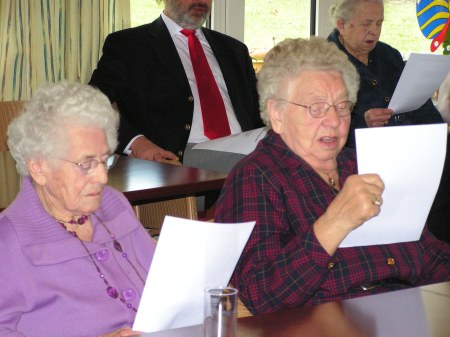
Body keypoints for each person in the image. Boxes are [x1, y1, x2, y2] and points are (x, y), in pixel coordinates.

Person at [214, 37, 450, 315]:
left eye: (342, 106)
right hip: (327, 324)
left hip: (410, 312)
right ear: (277, 114)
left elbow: (430, 255)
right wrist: (334, 223)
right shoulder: (256, 178)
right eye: (316, 108)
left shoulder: (364, 163)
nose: (335, 121)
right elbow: (262, 296)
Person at [0, 82, 156, 336]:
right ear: (38, 167)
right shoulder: (9, 241)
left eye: (105, 159)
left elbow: (164, 282)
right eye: (86, 163)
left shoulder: (113, 204)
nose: (102, 177)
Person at [89, 0, 263, 169]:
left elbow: (258, 113)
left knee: (280, 148)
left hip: (243, 145)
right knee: (269, 159)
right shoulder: (129, 45)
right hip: (180, 156)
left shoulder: (233, 49)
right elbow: (91, 102)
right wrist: (136, 142)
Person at [327, 0, 443, 149]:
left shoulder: (390, 55)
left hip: (410, 142)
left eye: (379, 23)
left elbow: (420, 104)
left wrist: (439, 136)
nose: (374, 31)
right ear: (342, 25)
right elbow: (322, 126)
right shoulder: (325, 63)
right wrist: (363, 124)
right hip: (361, 152)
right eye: (366, 24)